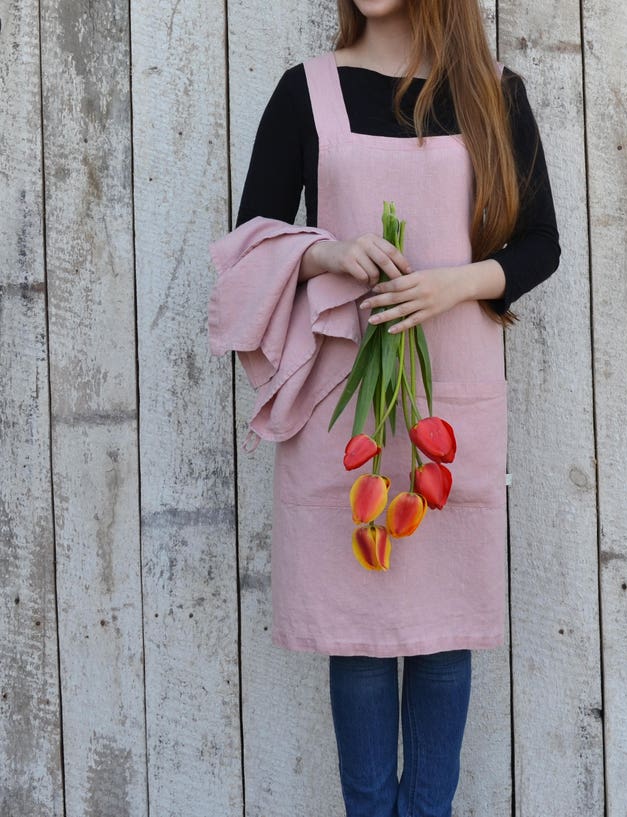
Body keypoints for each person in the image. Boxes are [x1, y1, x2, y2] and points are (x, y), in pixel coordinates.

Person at [225, 1, 561, 815]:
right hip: (347, 411)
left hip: (452, 397)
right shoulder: (307, 90)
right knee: (360, 631)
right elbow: (250, 240)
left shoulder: (492, 92)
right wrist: (328, 250)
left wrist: (451, 281)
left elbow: (538, 245)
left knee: (446, 629)